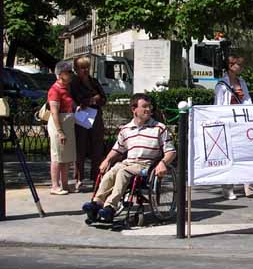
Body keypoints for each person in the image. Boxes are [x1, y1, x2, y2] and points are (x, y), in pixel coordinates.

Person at [81, 93, 175, 222]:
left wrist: (163, 163)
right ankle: (96, 203)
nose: (148, 109)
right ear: (134, 109)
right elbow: (117, 149)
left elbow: (171, 151)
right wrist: (107, 160)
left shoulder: (159, 128)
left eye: (150, 106)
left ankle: (110, 207)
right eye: (145, 107)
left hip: (146, 166)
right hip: (128, 163)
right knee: (112, 171)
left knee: (123, 171)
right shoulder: (126, 129)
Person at [215, 55, 253, 200]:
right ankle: (227, 188)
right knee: (229, 157)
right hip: (228, 125)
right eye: (239, 64)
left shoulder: (242, 82)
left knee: (247, 154)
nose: (241, 67)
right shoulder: (221, 85)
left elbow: (248, 102)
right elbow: (219, 107)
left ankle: (251, 188)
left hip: (242, 124)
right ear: (231, 66)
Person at [70, 56, 107, 191]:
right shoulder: (74, 83)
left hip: (95, 116)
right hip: (81, 117)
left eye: (87, 67)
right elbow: (75, 99)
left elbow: (103, 98)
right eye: (82, 68)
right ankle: (79, 178)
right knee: (80, 147)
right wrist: (91, 100)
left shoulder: (94, 81)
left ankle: (96, 176)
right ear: (76, 69)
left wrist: (93, 101)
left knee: (97, 147)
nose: (85, 70)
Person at [47, 61, 77, 195]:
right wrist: (60, 131)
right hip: (59, 124)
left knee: (66, 156)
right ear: (60, 74)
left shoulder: (67, 88)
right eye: (68, 72)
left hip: (68, 123)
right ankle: (55, 185)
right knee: (57, 155)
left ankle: (65, 184)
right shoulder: (55, 90)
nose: (71, 74)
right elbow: (54, 112)